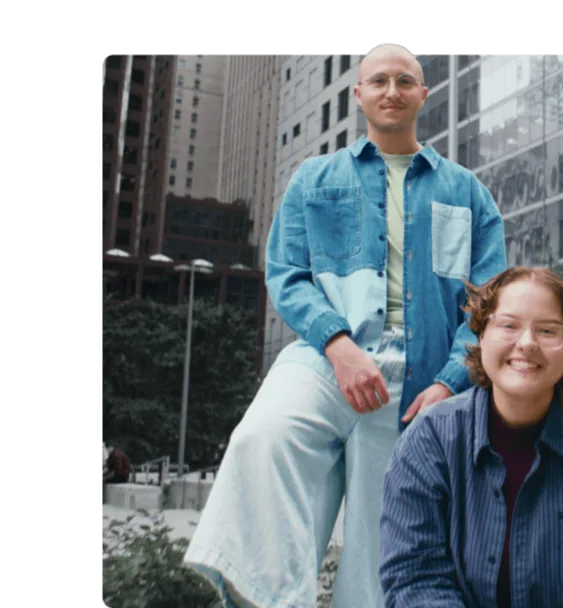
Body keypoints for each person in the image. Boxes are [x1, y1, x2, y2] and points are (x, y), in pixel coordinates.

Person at [183, 44, 508, 608]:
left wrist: (450, 383)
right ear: (358, 94)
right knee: (262, 438)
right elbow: (287, 273)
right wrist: (337, 344)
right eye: (378, 81)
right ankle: (277, 599)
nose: (391, 90)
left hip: (421, 378)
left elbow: (488, 303)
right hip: (325, 355)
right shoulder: (316, 178)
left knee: (381, 537)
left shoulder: (467, 192)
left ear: (422, 95)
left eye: (405, 81)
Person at [379, 267, 563, 608]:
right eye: (508, 325)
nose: (527, 343)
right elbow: (414, 579)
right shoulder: (430, 441)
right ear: (480, 335)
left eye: (547, 330)